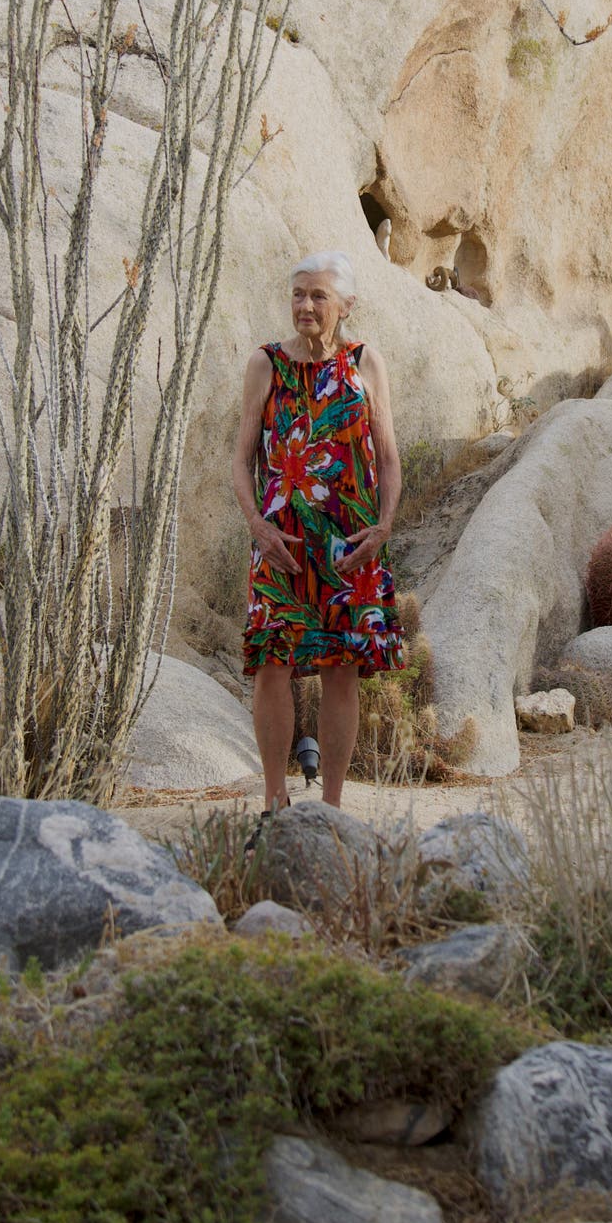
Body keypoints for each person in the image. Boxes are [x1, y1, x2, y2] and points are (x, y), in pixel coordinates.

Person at [234, 251, 405, 811]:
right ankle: (274, 801)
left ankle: (332, 808)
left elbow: (387, 456)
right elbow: (241, 460)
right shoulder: (266, 365)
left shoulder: (365, 363)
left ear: (346, 305)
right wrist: (258, 526)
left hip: (350, 548)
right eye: (299, 294)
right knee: (271, 666)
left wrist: (381, 528)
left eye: (319, 296)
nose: (305, 305)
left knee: (342, 670)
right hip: (282, 544)